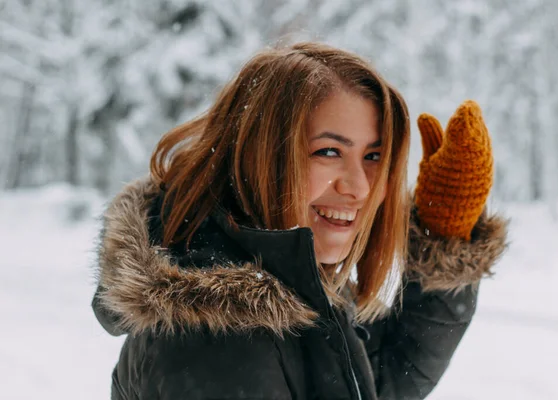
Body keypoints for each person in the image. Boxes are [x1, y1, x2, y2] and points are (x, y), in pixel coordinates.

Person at [92, 42, 508, 400]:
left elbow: (371, 382)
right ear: (260, 157)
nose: (359, 187)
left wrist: (444, 228)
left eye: (373, 157)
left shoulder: (279, 284)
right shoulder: (219, 339)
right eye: (328, 151)